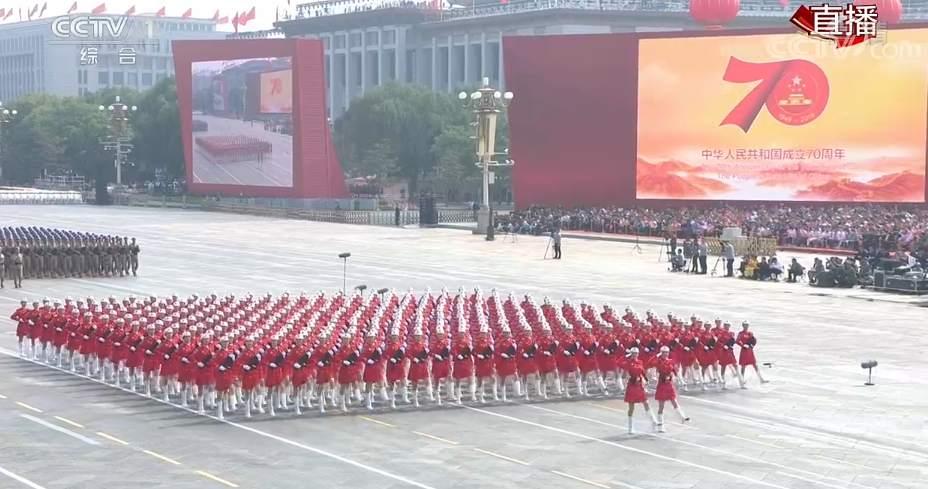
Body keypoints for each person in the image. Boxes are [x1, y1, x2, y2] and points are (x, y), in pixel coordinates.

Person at [651, 346, 689, 432]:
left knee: (674, 401)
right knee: (661, 406)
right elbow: (651, 363)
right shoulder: (658, 361)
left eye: (667, 352)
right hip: (662, 384)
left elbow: (674, 371)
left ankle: (682, 417)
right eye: (663, 352)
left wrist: (680, 379)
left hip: (669, 384)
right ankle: (661, 426)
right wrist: (657, 356)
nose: (665, 354)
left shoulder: (671, 361)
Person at [623, 347, 658, 434]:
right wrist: (626, 356)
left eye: (636, 353)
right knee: (631, 407)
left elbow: (642, 371)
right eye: (633, 353)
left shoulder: (640, 362)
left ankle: (653, 420)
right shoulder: (628, 363)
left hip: (639, 385)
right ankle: (630, 427)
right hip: (631, 385)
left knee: (646, 403)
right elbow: (619, 364)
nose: (635, 355)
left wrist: (646, 379)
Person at [736, 321, 768, 386]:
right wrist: (743, 345)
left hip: (750, 351)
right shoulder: (740, 333)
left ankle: (761, 379)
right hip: (744, 351)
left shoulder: (750, 333)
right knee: (743, 366)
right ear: (743, 326)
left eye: (747, 325)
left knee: (755, 365)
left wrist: (752, 345)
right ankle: (741, 381)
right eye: (744, 325)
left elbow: (754, 341)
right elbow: (737, 341)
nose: (746, 326)